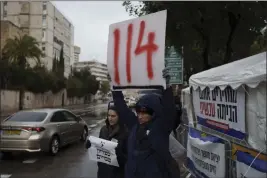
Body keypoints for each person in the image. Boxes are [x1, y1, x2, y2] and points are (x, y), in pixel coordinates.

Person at [111, 74, 180, 178]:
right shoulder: (134, 124)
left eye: (144, 113)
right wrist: (114, 86)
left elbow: (169, 111)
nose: (139, 116)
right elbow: (121, 107)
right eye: (138, 112)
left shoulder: (161, 127)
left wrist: (166, 86)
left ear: (154, 112)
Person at [85, 105, 128, 178]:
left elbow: (128, 159)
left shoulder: (126, 132)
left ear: (119, 117)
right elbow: (99, 148)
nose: (110, 118)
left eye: (113, 116)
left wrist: (118, 152)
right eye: (108, 115)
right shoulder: (103, 130)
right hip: (103, 172)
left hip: (117, 173)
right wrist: (90, 145)